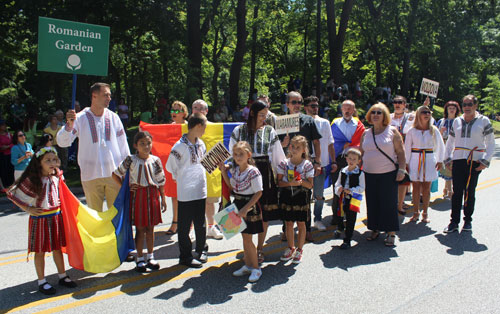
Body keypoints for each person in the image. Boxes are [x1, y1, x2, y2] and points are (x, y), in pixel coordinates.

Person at [6, 147, 77, 295]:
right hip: (40, 219)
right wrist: (28, 208)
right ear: (39, 163)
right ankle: (42, 281)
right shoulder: (32, 179)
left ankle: (62, 275)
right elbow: (12, 194)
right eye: (47, 160)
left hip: (56, 217)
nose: (52, 163)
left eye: (54, 159)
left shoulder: (58, 176)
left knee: (57, 248)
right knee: (40, 251)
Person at [57, 82, 130, 211]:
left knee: (115, 214)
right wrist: (69, 126)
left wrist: (127, 170)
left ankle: (113, 233)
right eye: (105, 95)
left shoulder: (114, 118)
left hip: (114, 174)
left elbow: (123, 145)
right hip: (90, 175)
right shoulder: (80, 118)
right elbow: (63, 142)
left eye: (109, 95)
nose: (109, 98)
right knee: (94, 215)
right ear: (94, 96)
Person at [229, 100, 285, 263]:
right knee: (243, 211)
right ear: (252, 113)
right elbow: (232, 154)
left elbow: (277, 157)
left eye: (266, 115)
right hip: (244, 171)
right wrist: (234, 174)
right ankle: (248, 247)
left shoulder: (269, 131)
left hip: (264, 173)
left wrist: (282, 176)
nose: (264, 118)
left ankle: (259, 249)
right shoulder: (238, 130)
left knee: (263, 213)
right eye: (261, 115)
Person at [113, 132, 166, 272]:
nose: (146, 146)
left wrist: (163, 198)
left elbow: (161, 180)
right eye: (142, 143)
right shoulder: (130, 159)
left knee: (151, 228)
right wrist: (126, 187)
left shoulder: (155, 160)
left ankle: (151, 256)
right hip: (138, 196)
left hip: (152, 195)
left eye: (148, 143)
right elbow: (116, 174)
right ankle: (140, 257)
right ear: (135, 145)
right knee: (140, 229)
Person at [443, 95, 495, 233]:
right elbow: (450, 141)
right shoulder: (457, 121)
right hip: (458, 160)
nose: (467, 107)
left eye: (470, 104)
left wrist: (485, 160)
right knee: (456, 192)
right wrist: (447, 158)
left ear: (475, 106)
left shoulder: (483, 121)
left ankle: (468, 221)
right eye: (464, 104)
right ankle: (454, 222)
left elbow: (491, 142)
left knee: (469, 192)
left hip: (474, 160)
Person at [166, 113, 208, 268]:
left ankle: (202, 248)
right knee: (184, 225)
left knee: (200, 222)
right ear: (198, 126)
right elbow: (171, 167)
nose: (204, 130)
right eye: (204, 127)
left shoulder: (201, 144)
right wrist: (182, 177)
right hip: (185, 191)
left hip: (200, 188)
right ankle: (185, 255)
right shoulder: (179, 147)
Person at [360, 103, 406, 247]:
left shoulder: (392, 131)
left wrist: (402, 169)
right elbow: (361, 153)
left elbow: (400, 152)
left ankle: (391, 232)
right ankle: (374, 229)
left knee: (388, 203)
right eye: (373, 112)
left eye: (379, 112)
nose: (375, 115)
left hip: (388, 173)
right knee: (372, 202)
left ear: (384, 115)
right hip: (368, 173)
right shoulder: (366, 133)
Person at [279, 91, 322, 242]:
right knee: (286, 198)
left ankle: (307, 229)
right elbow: (275, 146)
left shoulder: (308, 120)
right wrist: (282, 144)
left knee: (305, 197)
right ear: (287, 105)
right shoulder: (281, 121)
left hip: (305, 166)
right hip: (287, 165)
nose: (297, 105)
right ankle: (286, 229)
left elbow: (316, 142)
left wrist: (317, 162)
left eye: (299, 102)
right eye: (294, 102)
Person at [220, 141, 263, 282]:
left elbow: (258, 193)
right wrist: (223, 171)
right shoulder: (235, 170)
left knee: (248, 238)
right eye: (235, 154)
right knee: (244, 237)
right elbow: (231, 187)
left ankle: (256, 268)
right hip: (238, 204)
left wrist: (245, 209)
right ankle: (248, 265)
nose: (238, 157)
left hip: (249, 206)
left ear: (248, 155)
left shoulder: (253, 171)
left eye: (241, 154)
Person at [405, 105, 445, 223]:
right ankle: (416, 212)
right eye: (424, 112)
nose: (427, 114)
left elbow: (440, 145)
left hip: (429, 159)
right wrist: (406, 162)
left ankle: (425, 213)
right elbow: (407, 147)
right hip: (415, 159)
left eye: (428, 112)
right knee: (416, 187)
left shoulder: (434, 130)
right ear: (418, 114)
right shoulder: (412, 131)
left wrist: (440, 160)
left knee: (426, 188)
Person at [277, 135, 314, 263]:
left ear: (304, 149)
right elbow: (279, 182)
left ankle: (300, 249)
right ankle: (290, 247)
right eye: (293, 146)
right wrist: (290, 184)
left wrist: (300, 182)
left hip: (301, 195)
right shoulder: (284, 163)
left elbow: (310, 185)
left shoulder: (307, 165)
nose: (295, 149)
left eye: (298, 147)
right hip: (287, 194)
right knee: (288, 223)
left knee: (301, 223)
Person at [303, 96, 337, 231]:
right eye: (312, 106)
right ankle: (304, 221)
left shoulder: (325, 122)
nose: (315, 108)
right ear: (306, 108)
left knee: (319, 194)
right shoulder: (301, 122)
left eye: (317, 105)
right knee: (304, 195)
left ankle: (318, 219)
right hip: (304, 164)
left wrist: (333, 161)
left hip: (320, 164)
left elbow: (330, 143)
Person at [191, 99, 224, 240]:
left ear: (207, 111)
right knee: (191, 202)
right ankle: (191, 229)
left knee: (209, 201)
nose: (198, 110)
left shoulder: (216, 127)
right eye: (195, 108)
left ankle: (211, 227)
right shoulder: (183, 127)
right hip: (191, 171)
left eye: (201, 108)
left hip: (210, 170)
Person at [330, 100, 365, 228]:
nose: (347, 111)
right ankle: (336, 216)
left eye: (350, 108)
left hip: (354, 160)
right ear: (341, 109)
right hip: (340, 159)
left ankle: (351, 215)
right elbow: (331, 142)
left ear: (354, 109)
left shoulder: (359, 125)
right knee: (337, 188)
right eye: (345, 108)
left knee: (353, 188)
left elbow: (361, 143)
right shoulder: (335, 123)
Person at [165, 101, 189, 236]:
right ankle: (175, 222)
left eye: (177, 111)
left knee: (187, 197)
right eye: (172, 110)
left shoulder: (189, 127)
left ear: (184, 113)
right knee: (174, 196)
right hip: (175, 165)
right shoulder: (168, 127)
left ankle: (189, 223)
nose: (173, 113)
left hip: (188, 166)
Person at [333, 148, 365, 249]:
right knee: (339, 213)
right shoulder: (343, 171)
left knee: (351, 218)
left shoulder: (360, 174)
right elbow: (337, 183)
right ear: (346, 159)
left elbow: (362, 188)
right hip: (342, 197)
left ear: (359, 161)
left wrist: (351, 190)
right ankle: (340, 227)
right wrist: (339, 189)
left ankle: (347, 240)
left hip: (353, 198)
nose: (351, 161)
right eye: (350, 158)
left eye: (354, 159)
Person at [390, 95, 415, 215]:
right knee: (391, 178)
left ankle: (400, 204)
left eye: (400, 102)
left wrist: (426, 106)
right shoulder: (388, 117)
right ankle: (392, 202)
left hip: (405, 151)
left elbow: (426, 120)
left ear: (405, 105)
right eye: (395, 102)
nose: (397, 104)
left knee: (403, 178)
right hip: (390, 151)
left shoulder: (411, 118)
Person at [436, 101, 461, 199]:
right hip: (443, 146)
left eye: (453, 108)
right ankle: (447, 188)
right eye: (449, 108)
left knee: (451, 168)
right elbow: (435, 136)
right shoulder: (441, 121)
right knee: (446, 168)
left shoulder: (459, 121)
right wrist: (440, 132)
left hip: (455, 147)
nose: (451, 110)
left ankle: (449, 189)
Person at [0, 120, 14, 188]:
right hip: (3, 156)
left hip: (10, 154)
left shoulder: (9, 134)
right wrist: (8, 146)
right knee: (4, 171)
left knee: (11, 170)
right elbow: (1, 147)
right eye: (3, 125)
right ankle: (5, 185)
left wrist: (7, 146)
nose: (5, 126)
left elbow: (13, 143)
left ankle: (12, 184)